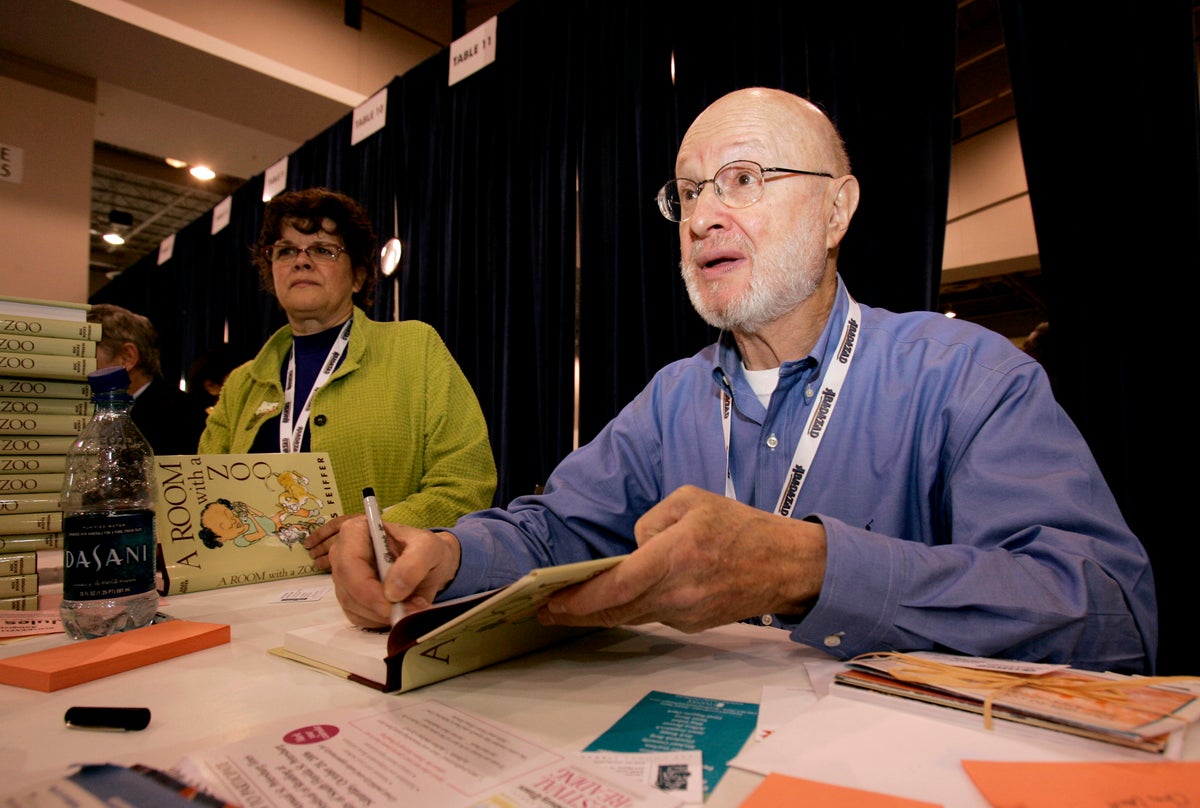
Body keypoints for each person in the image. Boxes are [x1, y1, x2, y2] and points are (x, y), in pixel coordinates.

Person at [328, 88, 1157, 674]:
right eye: (687, 192)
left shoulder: (966, 376)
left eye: (744, 180)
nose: (700, 217)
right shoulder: (670, 399)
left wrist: (811, 567)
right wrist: (448, 553)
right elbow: (554, 536)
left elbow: (1113, 617)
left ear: (837, 212)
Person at [199, 187, 497, 556]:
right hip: (255, 592)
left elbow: (465, 481)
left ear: (358, 276)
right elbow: (205, 500)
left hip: (383, 585)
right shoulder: (242, 383)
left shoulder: (415, 348)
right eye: (286, 250)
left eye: (324, 250)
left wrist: (373, 532)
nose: (301, 261)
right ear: (270, 270)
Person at [88, 303, 208, 455]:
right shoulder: (85, 412)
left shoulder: (182, 419)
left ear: (127, 357)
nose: (74, 366)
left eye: (84, 354)